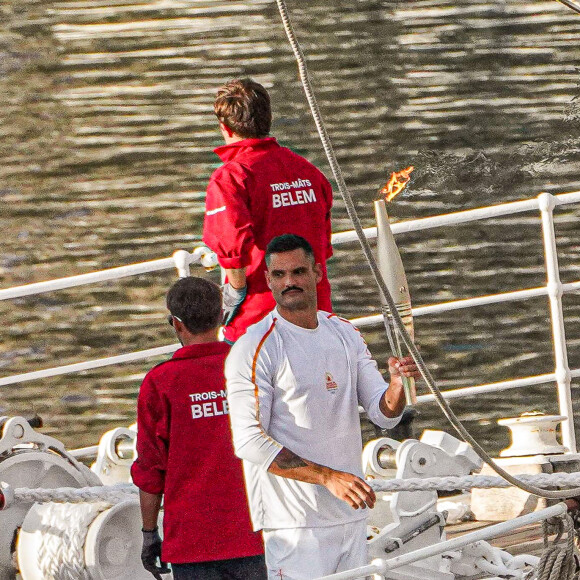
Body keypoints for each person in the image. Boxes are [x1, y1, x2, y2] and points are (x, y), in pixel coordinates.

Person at [225, 234, 421, 580]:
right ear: (268, 280)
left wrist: (397, 384)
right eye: (280, 275)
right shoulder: (255, 347)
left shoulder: (343, 332)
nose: (290, 283)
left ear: (317, 273)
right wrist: (328, 477)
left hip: (350, 515)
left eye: (298, 272)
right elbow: (249, 442)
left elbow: (383, 414)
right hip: (295, 526)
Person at [131, 277, 266, 580]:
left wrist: (150, 533)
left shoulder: (160, 382)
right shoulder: (252, 367)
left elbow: (151, 470)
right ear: (221, 316)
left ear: (176, 324)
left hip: (192, 541)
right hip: (258, 531)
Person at [202, 78, 334, 344]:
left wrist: (235, 293)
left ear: (225, 128)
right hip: (316, 314)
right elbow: (324, 244)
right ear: (268, 119)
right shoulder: (308, 171)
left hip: (260, 321)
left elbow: (232, 249)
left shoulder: (231, 177)